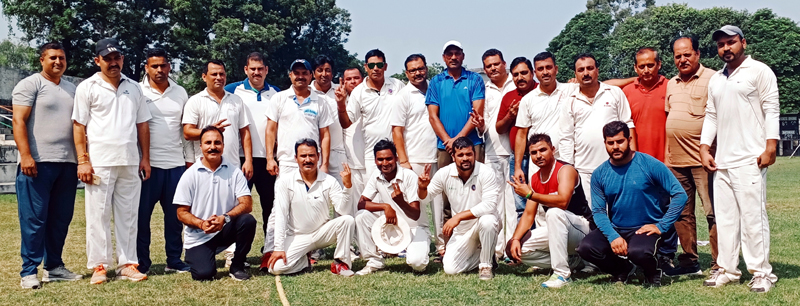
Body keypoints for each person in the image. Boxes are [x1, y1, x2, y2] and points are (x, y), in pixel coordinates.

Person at [700, 25, 780, 292]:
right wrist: (704, 147)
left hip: (750, 157)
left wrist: (771, 146)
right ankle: (728, 269)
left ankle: (761, 272)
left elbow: (771, 108)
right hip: (722, 161)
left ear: (743, 43)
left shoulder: (759, 71)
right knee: (725, 220)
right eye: (721, 45)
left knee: (753, 218)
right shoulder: (717, 79)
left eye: (731, 42)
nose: (726, 48)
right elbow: (711, 115)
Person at [72, 38, 151, 284]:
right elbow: (78, 125)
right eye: (107, 59)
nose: (113, 63)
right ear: (97, 61)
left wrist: (145, 157)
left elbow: (143, 124)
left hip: (129, 159)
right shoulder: (88, 87)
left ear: (123, 59)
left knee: (128, 214)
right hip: (99, 161)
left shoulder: (134, 87)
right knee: (98, 215)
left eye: (117, 58)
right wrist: (83, 161)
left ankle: (127, 263)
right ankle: (99, 265)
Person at [576, 121, 686, 287]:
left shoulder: (650, 164)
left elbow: (680, 195)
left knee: (638, 252)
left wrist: (661, 226)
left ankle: (653, 272)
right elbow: (598, 211)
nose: (615, 147)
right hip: (618, 228)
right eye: (610, 143)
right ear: (604, 143)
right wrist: (613, 236)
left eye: (620, 141)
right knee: (586, 247)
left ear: (629, 140)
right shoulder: (599, 174)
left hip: (645, 229)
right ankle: (622, 269)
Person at [14, 42, 82, 289]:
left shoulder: (72, 88)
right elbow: (18, 121)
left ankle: (53, 267)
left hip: (67, 163)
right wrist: (27, 156)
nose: (58, 62)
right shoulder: (30, 84)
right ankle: (29, 271)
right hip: (38, 164)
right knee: (35, 220)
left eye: (62, 58)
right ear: (41, 60)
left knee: (60, 219)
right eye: (52, 57)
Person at [182, 59, 253, 267]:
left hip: (231, 167)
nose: (218, 78)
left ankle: (234, 256)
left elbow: (244, 132)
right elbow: (187, 131)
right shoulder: (196, 101)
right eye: (213, 74)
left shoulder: (236, 101)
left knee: (236, 211)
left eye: (221, 74)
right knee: (204, 210)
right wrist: (208, 129)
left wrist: (247, 159)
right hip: (205, 168)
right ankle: (201, 248)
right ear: (204, 77)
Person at [262, 59, 335, 258]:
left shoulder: (320, 101)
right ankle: (270, 249)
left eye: (304, 73)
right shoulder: (279, 98)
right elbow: (270, 130)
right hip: (287, 162)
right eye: (296, 73)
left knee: (314, 205)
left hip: (313, 163)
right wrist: (270, 158)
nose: (300, 76)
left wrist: (325, 163)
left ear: (310, 76)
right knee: (280, 207)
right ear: (290, 75)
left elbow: (325, 134)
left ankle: (313, 249)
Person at [506, 133, 593, 289]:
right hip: (560, 228)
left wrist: (530, 194)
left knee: (553, 213)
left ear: (553, 150)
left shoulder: (565, 170)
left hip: (584, 230)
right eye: (534, 152)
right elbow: (528, 214)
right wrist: (516, 239)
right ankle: (574, 260)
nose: (538, 155)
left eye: (543, 150)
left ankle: (562, 274)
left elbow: (563, 201)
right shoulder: (534, 178)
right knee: (518, 249)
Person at [664, 36, 719, 277]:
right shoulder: (672, 83)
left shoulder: (714, 79)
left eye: (687, 54)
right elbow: (671, 117)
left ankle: (720, 263)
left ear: (697, 54)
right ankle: (689, 262)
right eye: (678, 56)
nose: (682, 59)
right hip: (676, 162)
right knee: (682, 213)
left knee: (713, 212)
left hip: (704, 160)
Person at [174, 126, 257, 281]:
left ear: (223, 146)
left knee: (248, 220)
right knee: (204, 274)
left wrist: (224, 218)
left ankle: (237, 265)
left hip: (224, 228)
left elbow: (247, 204)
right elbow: (181, 212)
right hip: (200, 235)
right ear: (201, 147)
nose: (213, 147)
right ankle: (196, 256)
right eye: (208, 143)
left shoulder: (234, 172)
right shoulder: (189, 175)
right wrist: (201, 224)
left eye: (217, 143)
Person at [136, 48, 191, 274]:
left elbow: (184, 129)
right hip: (147, 166)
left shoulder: (180, 92)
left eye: (164, 65)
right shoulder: (138, 91)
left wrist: (189, 162)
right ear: (147, 68)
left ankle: (174, 260)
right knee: (141, 218)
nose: (160, 70)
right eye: (154, 66)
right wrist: (141, 159)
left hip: (176, 165)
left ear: (170, 66)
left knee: (175, 217)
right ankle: (142, 262)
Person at [267, 139, 355, 276]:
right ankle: (304, 262)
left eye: (311, 155)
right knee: (276, 268)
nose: (308, 160)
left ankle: (340, 263)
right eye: (303, 156)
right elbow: (281, 216)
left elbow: (343, 210)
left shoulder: (329, 181)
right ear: (296, 158)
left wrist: (348, 186)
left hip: (322, 233)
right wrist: (278, 248)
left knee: (348, 220)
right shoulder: (285, 182)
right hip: (297, 236)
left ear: (318, 157)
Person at [558, 53, 637, 204]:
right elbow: (566, 138)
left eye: (590, 68)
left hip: (616, 165)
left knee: (619, 211)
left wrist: (633, 159)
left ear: (597, 70)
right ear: (575, 74)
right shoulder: (570, 101)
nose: (586, 73)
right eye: (581, 70)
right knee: (594, 215)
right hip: (584, 170)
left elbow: (628, 126)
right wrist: (569, 169)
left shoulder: (614, 93)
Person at [418, 137, 500, 280]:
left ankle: (486, 265)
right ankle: (486, 254)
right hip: (461, 231)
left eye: (469, 154)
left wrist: (458, 216)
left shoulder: (486, 172)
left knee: (488, 220)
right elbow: (425, 199)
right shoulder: (444, 173)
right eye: (460, 155)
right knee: (450, 269)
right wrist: (422, 188)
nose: (465, 158)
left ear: (474, 154)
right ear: (453, 157)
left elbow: (489, 205)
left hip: (482, 223)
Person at [390, 53, 445, 258]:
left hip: (436, 156)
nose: (417, 73)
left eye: (420, 68)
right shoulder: (403, 96)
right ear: (406, 73)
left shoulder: (435, 88)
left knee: (438, 205)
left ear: (426, 68)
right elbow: (397, 130)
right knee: (415, 205)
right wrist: (403, 162)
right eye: (412, 70)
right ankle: (410, 243)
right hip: (413, 159)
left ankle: (441, 246)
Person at [224, 52, 280, 250]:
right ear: (245, 70)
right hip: (241, 159)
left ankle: (270, 247)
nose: (256, 73)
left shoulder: (277, 94)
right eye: (252, 69)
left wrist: (272, 156)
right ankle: (236, 252)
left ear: (266, 70)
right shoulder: (232, 91)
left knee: (271, 207)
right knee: (238, 206)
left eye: (260, 69)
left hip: (268, 160)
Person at [354, 139, 429, 274]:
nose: (384, 163)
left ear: (396, 158)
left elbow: (415, 214)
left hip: (414, 228)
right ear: (375, 160)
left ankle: (409, 250)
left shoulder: (409, 176)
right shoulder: (376, 176)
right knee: (361, 216)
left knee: (417, 264)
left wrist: (400, 201)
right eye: (380, 159)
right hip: (391, 227)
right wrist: (386, 206)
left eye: (389, 159)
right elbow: (361, 204)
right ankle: (374, 261)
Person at [335, 49, 405, 181]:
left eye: (379, 65)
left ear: (385, 66)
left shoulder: (397, 85)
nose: (376, 69)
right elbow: (346, 123)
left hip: (397, 153)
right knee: (374, 197)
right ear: (366, 67)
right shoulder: (359, 92)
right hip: (372, 155)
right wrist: (341, 105)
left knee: (400, 194)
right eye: (372, 65)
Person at [480, 49, 518, 260]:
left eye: (496, 64)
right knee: (494, 203)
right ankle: (495, 249)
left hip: (515, 151)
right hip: (493, 151)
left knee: (513, 204)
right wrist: (479, 126)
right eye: (488, 66)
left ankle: (512, 249)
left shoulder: (518, 83)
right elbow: (484, 122)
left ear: (504, 64)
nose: (493, 68)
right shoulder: (484, 89)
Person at [427, 41, 486, 164]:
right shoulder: (436, 81)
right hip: (445, 146)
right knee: (446, 182)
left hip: (472, 143)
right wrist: (449, 141)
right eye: (449, 54)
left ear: (463, 56)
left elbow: (477, 113)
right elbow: (433, 116)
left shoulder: (475, 79)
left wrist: (457, 140)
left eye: (457, 53)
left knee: (475, 181)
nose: (453, 57)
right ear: (444, 57)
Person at [496, 56, 538, 221]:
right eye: (515, 74)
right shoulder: (509, 97)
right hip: (519, 158)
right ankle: (526, 243)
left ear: (532, 73)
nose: (520, 77)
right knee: (521, 203)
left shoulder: (542, 91)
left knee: (542, 201)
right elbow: (499, 128)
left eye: (524, 73)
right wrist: (509, 116)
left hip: (541, 156)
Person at [622, 47, 668, 162]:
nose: (646, 70)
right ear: (635, 68)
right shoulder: (626, 92)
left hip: (666, 160)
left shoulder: (670, 87)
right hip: (637, 160)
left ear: (659, 64)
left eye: (650, 65)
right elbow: (599, 85)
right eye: (641, 67)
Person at [312, 55, 348, 184]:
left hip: (338, 152)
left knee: (344, 195)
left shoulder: (341, 90)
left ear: (332, 73)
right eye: (320, 70)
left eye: (327, 70)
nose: (324, 74)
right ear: (313, 73)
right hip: (314, 153)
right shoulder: (307, 92)